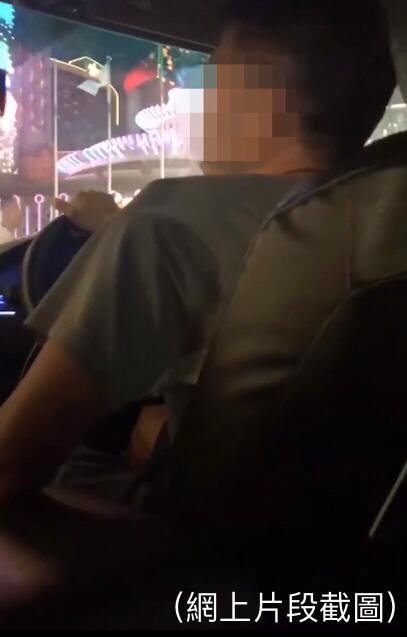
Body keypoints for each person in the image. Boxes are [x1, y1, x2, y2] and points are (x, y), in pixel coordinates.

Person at [0, 0, 395, 502]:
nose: (193, 101)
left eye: (209, 78)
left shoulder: (169, 221)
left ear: (258, 102)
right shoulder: (380, 225)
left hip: (180, 534)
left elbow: (9, 467)